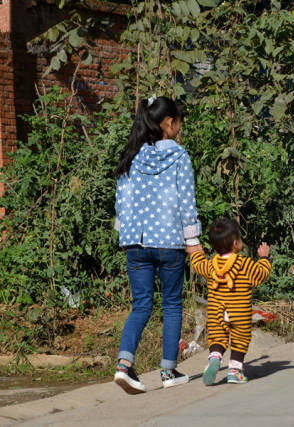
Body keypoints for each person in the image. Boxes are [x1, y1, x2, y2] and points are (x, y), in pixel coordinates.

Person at [113, 95, 202, 394]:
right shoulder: (179, 157)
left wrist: (124, 233)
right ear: (168, 123)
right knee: (172, 305)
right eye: (178, 122)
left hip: (135, 243)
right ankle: (168, 371)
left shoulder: (132, 156)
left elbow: (122, 202)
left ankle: (124, 366)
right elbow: (187, 203)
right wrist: (193, 242)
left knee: (141, 305)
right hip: (170, 243)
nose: (179, 127)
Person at [189, 218, 272, 385]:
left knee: (218, 337)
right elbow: (261, 274)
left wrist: (196, 252)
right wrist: (264, 258)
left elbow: (198, 265)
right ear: (236, 244)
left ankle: (215, 358)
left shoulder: (211, 265)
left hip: (216, 312)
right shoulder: (245, 264)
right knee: (240, 339)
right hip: (239, 312)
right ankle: (235, 371)